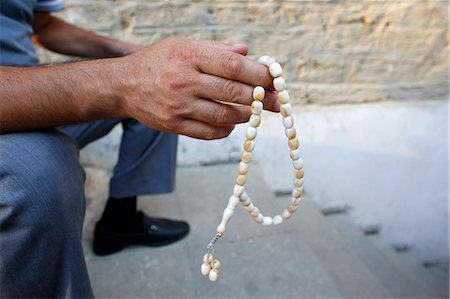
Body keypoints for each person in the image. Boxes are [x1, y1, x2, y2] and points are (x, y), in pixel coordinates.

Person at [0, 0, 280, 297]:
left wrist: (131, 55)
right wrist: (125, 80)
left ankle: (121, 219)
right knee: (40, 180)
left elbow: (42, 26)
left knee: (172, 94)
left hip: (32, 80)